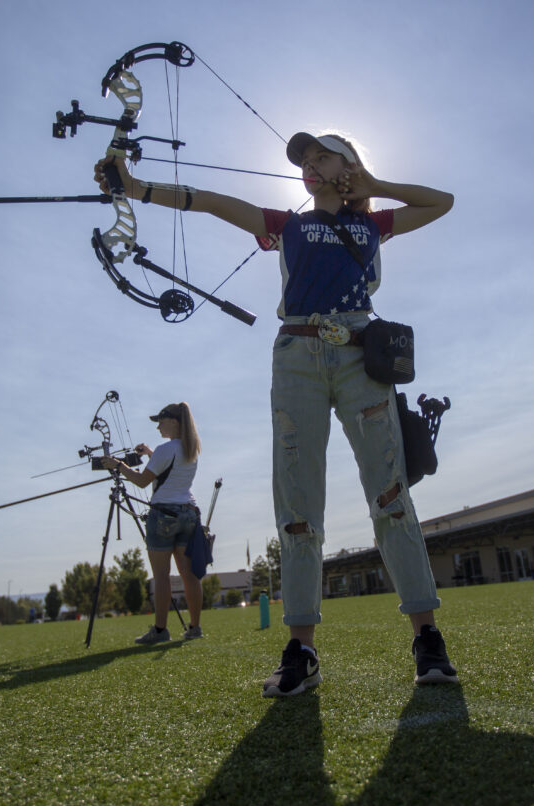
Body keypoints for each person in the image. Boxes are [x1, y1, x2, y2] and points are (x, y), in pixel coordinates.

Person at [96, 130, 458, 694]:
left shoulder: (372, 224)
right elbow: (212, 202)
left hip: (363, 353)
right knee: (296, 502)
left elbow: (442, 203)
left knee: (390, 493)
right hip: (296, 357)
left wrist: (374, 186)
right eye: (304, 160)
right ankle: (302, 650)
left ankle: (427, 639)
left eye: (322, 156)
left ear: (348, 165)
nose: (309, 165)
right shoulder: (285, 224)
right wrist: (137, 188)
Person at [102, 402, 204, 644]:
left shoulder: (165, 449)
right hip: (188, 514)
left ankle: (160, 631)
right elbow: (170, 469)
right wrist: (149, 453)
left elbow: (141, 481)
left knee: (161, 576)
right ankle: (195, 628)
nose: (158, 426)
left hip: (163, 515)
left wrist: (118, 465)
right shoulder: (191, 449)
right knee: (189, 575)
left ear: (174, 422)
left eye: (161, 420)